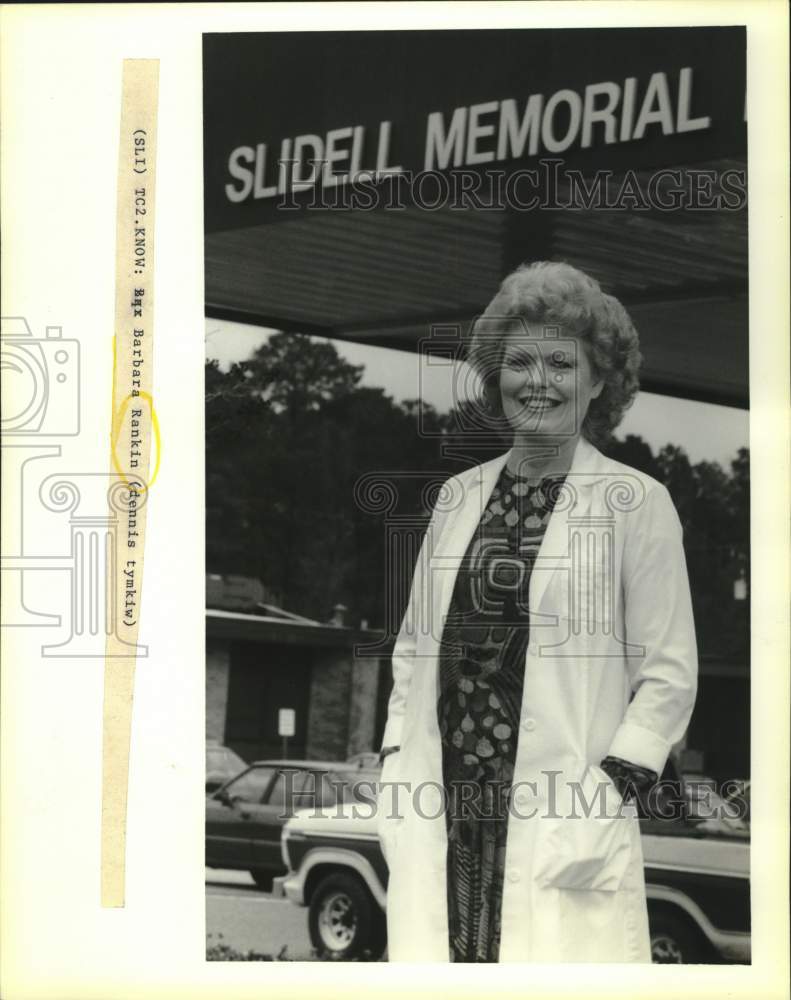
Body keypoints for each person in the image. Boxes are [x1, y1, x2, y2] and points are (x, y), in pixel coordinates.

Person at [376, 261, 698, 963]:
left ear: (598, 380)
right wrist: (395, 758)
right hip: (444, 806)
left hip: (563, 818)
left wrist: (607, 795)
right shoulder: (457, 498)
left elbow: (668, 676)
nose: (538, 381)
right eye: (519, 362)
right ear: (496, 377)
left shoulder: (635, 503)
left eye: (561, 362)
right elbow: (412, 648)